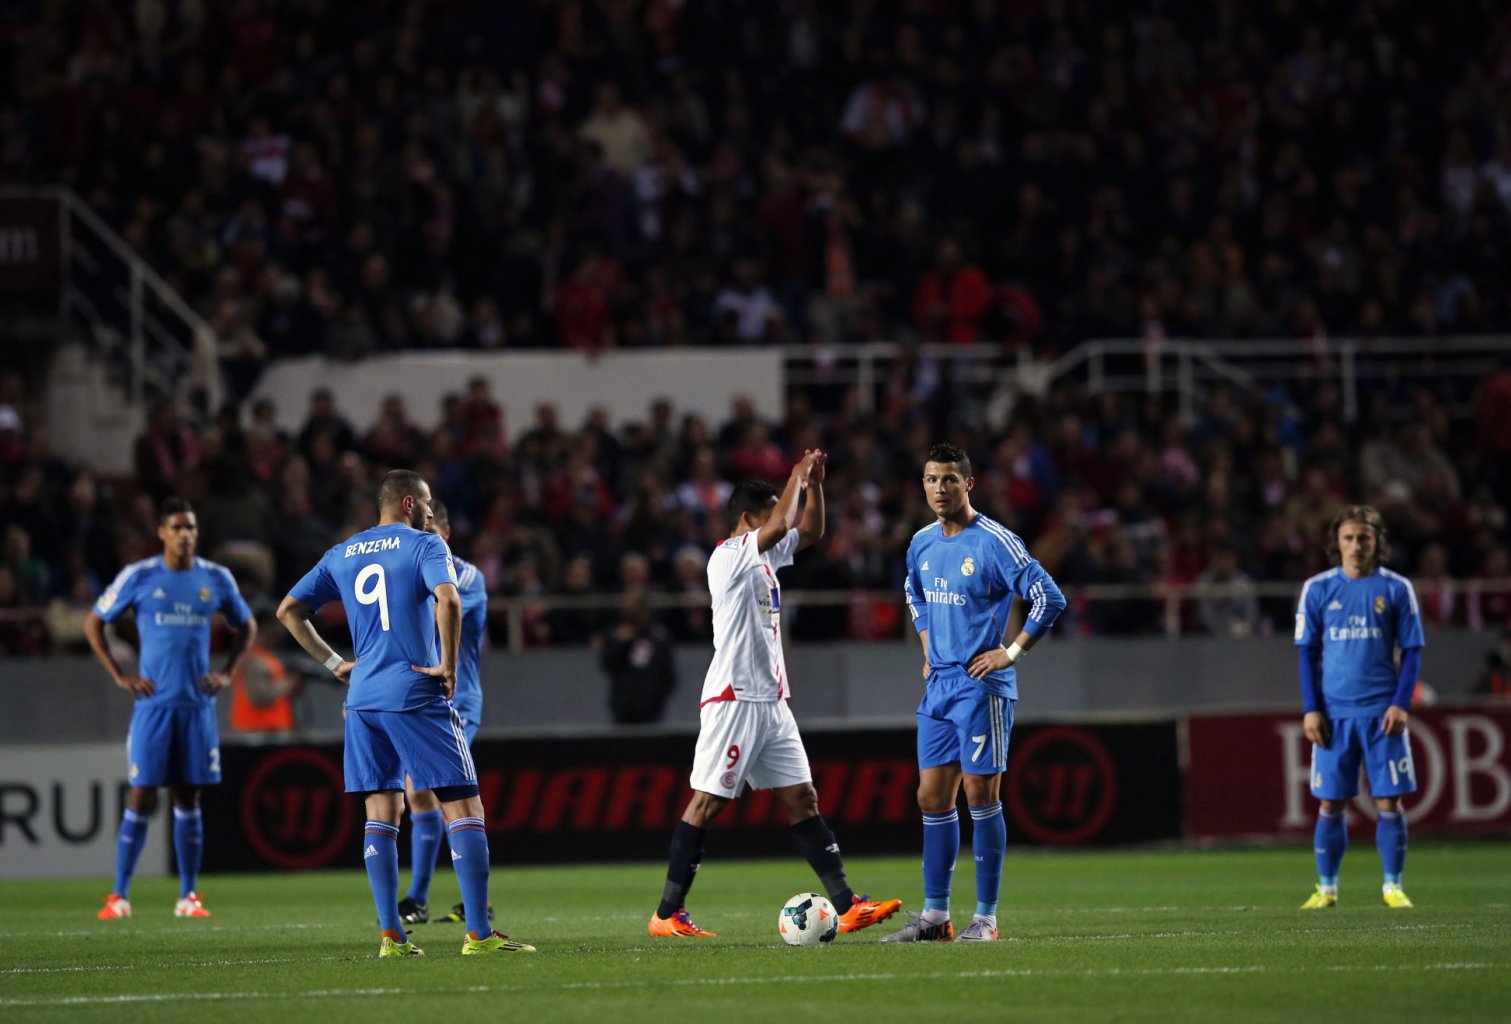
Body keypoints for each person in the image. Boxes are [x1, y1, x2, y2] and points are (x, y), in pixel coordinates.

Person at [276, 470, 533, 957]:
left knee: (381, 811)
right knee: (464, 807)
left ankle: (391, 936)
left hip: (362, 699)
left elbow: (288, 610)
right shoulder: (424, 546)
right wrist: (449, 666)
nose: (433, 511)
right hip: (414, 689)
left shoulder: (342, 552)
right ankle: (479, 934)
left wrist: (334, 664)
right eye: (429, 502)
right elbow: (449, 598)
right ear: (411, 504)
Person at [648, 451, 901, 938]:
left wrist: (817, 486)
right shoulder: (728, 556)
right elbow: (786, 520)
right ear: (749, 519)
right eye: (769, 516)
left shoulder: (763, 559)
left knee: (803, 798)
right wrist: (795, 476)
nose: (778, 525)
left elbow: (809, 533)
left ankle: (847, 906)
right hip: (735, 697)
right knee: (706, 804)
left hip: (773, 701)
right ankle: (666, 914)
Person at [884, 442, 1066, 943]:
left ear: (969, 484)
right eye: (930, 480)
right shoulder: (920, 542)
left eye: (949, 479)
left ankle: (985, 918)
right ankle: (935, 918)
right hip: (939, 684)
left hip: (981, 687)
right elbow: (913, 594)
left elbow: (1049, 596)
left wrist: (1011, 653)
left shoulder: (995, 541)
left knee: (980, 793)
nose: (939, 489)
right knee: (930, 797)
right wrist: (926, 644)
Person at [85, 497, 256, 920]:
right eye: (177, 527)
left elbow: (246, 625)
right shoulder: (139, 576)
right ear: (162, 532)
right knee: (142, 795)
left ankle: (188, 896)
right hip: (154, 706)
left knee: (188, 797)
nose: (185, 534)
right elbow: (94, 622)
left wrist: (227, 672)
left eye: (191, 528)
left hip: (197, 706)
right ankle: (119, 895)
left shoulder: (215, 578)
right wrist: (119, 675)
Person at [1294, 505, 1424, 910]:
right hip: (1333, 715)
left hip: (1381, 713)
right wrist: (1311, 708)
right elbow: (1306, 653)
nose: (1355, 546)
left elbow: (1414, 649)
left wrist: (1401, 704)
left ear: (1376, 542)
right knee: (1330, 802)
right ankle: (1327, 889)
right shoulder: (1317, 589)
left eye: (1363, 538)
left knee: (1389, 802)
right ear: (1337, 543)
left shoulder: (1397, 588)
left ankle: (1392, 886)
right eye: (1348, 538)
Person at [397, 498, 490, 927]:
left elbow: (440, 613)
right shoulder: (409, 571)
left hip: (457, 700)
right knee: (419, 793)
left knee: (427, 789)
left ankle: (431, 899)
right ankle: (431, 899)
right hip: (417, 699)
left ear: (447, 534)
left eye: (432, 535)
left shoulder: (467, 577)